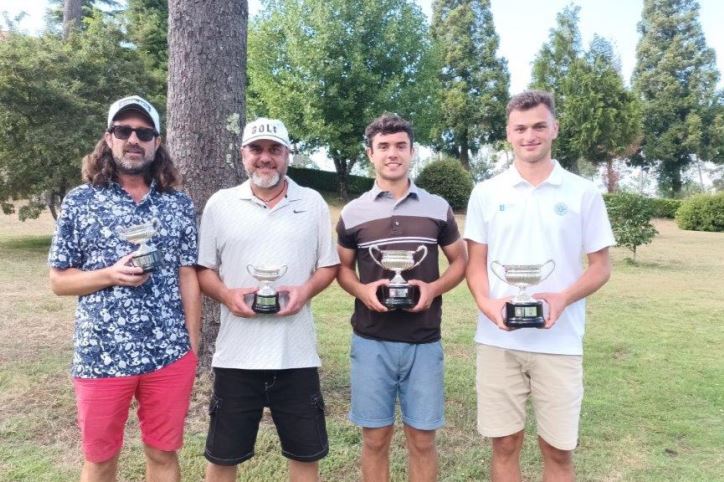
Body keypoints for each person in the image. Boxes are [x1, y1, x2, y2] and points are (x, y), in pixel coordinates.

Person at [48, 95, 200, 482]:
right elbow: (59, 281)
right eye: (124, 130)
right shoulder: (80, 201)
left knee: (163, 453)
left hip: (168, 352)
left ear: (157, 141)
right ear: (109, 138)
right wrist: (110, 274)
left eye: (144, 132)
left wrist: (191, 348)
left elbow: (188, 276)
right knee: (99, 460)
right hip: (102, 354)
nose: (134, 139)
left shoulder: (178, 205)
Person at [465, 90, 615, 481]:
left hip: (560, 343)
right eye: (520, 128)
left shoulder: (582, 192)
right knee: (504, 445)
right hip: (498, 342)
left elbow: (601, 266)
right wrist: (487, 303)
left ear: (554, 129)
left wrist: (563, 297)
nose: (529, 135)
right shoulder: (486, 192)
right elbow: (475, 263)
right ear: (508, 134)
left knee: (558, 451)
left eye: (538, 126)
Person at [197, 117, 340, 482]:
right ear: (243, 154)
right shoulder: (221, 204)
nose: (265, 158)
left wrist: (304, 291)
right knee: (222, 456)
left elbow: (328, 267)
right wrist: (227, 296)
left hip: (296, 354)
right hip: (236, 356)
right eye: (256, 149)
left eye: (275, 149)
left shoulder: (312, 203)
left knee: (305, 455)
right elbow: (203, 271)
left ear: (288, 154)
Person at [336, 113, 467, 482]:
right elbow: (343, 269)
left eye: (400, 146)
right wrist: (361, 290)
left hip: (423, 340)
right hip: (371, 339)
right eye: (383, 147)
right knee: (375, 439)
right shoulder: (352, 213)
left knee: (422, 440)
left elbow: (460, 262)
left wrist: (434, 288)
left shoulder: (437, 207)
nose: (392, 154)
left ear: (412, 151)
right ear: (370, 154)